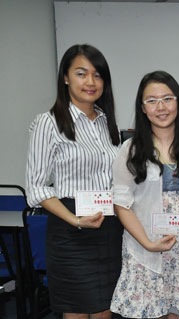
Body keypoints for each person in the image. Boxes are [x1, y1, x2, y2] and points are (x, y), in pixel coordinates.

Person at [25, 44, 123, 318]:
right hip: (71, 231)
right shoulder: (49, 122)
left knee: (106, 311)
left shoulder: (108, 124)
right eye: (81, 73)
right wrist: (75, 220)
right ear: (66, 77)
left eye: (98, 75)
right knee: (76, 312)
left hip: (109, 229)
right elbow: (37, 187)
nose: (91, 82)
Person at [110, 71, 179, 318]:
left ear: (178, 102)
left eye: (167, 98)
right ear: (142, 108)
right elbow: (121, 204)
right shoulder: (130, 150)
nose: (160, 107)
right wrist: (148, 244)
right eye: (151, 101)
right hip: (146, 249)